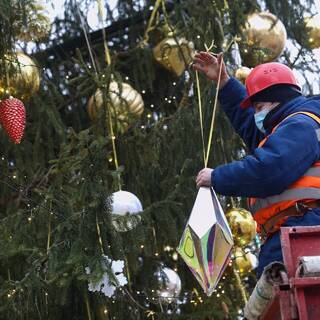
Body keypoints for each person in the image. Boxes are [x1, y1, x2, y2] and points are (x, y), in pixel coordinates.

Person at [193, 51, 320, 278]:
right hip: (294, 231)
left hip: (305, 230)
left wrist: (217, 177)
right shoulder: (286, 126)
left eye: (259, 107)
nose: (256, 114)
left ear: (277, 100)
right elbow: (249, 126)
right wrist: (224, 82)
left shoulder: (300, 124)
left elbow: (269, 170)